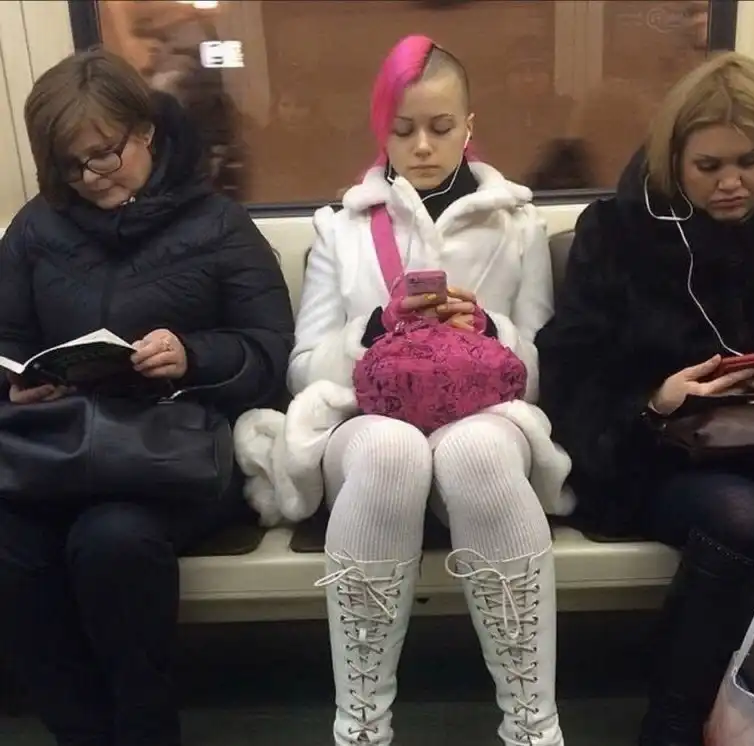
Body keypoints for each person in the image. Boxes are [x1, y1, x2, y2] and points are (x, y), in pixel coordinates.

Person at [235, 34, 573, 746]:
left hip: (485, 414)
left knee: (477, 451)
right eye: (403, 129)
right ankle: (361, 725)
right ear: (381, 131)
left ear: (469, 126)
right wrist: (373, 329)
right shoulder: (342, 229)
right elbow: (303, 367)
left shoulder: (517, 224)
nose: (422, 146)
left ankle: (533, 726)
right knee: (392, 451)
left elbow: (546, 368)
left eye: (441, 127)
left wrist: (489, 328)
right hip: (367, 418)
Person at [0, 48, 294, 746]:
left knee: (112, 541)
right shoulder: (35, 230)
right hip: (60, 448)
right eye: (71, 165)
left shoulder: (218, 224)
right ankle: (82, 731)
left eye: (104, 154)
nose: (90, 177)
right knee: (11, 547)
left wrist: (193, 354)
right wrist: (19, 383)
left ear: (146, 132)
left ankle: (144, 731)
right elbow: (7, 338)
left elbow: (271, 351)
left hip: (172, 452)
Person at [536, 51, 754, 746]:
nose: (732, 183)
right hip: (662, 455)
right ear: (675, 160)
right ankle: (673, 725)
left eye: (750, 162)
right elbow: (571, 374)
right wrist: (655, 399)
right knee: (744, 521)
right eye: (709, 166)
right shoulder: (618, 234)